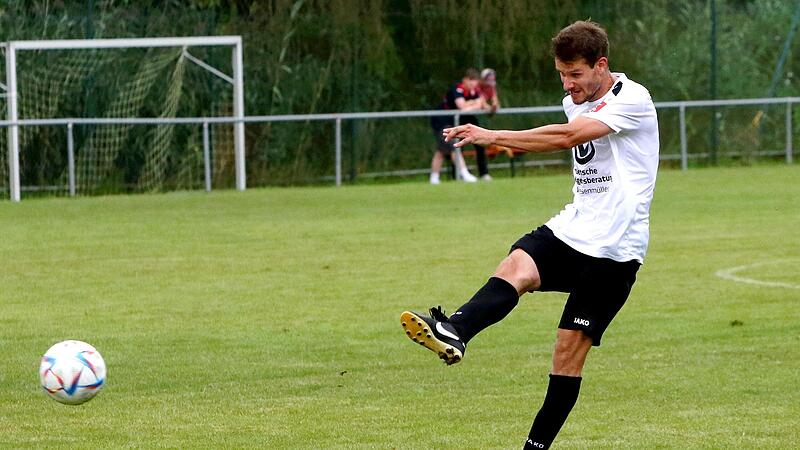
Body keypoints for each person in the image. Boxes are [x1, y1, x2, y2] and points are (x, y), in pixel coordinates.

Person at [400, 20, 659, 449]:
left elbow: (570, 136)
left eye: (576, 74)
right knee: (517, 263)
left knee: (565, 355)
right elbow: (569, 132)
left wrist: (492, 134)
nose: (568, 83)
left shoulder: (632, 98)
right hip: (575, 227)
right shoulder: (573, 100)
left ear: (601, 65)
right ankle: (455, 331)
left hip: (615, 248)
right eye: (562, 74)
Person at [429, 68, 488, 184]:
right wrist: (474, 104)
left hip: (451, 122)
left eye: (475, 80)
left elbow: (482, 104)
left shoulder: (474, 91)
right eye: (471, 80)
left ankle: (434, 178)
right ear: (465, 80)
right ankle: (464, 173)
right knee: (453, 145)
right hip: (441, 120)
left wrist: (472, 104)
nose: (473, 83)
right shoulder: (457, 89)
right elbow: (462, 106)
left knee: (441, 150)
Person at [474, 68, 502, 181]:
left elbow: (495, 102)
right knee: (456, 147)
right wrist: (490, 107)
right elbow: (483, 104)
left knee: (480, 146)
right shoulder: (476, 87)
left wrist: (494, 106)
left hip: (477, 120)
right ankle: (458, 174)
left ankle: (483, 173)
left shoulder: (491, 86)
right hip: (463, 119)